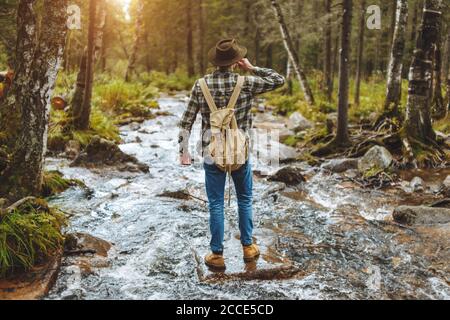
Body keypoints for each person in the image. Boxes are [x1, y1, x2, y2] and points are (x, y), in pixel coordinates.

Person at [178, 38, 285, 270]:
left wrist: (183, 151)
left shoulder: (200, 85)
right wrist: (252, 68)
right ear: (236, 61)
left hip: (211, 152)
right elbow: (279, 80)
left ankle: (217, 255)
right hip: (240, 152)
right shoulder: (245, 82)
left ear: (215, 62)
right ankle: (248, 248)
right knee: (244, 198)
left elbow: (186, 121)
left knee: (215, 203)